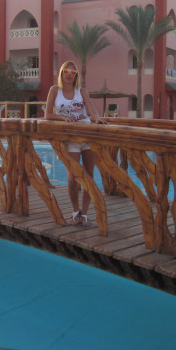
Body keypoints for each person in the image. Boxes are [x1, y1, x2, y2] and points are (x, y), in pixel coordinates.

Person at [45, 60, 108, 226]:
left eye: (73, 72)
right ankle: (75, 211)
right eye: (66, 71)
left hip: (87, 135)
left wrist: (98, 119)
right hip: (70, 137)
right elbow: (48, 115)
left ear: (76, 75)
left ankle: (84, 213)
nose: (69, 74)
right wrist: (63, 118)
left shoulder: (82, 91)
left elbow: (91, 111)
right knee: (72, 177)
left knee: (88, 174)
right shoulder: (55, 90)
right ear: (61, 73)